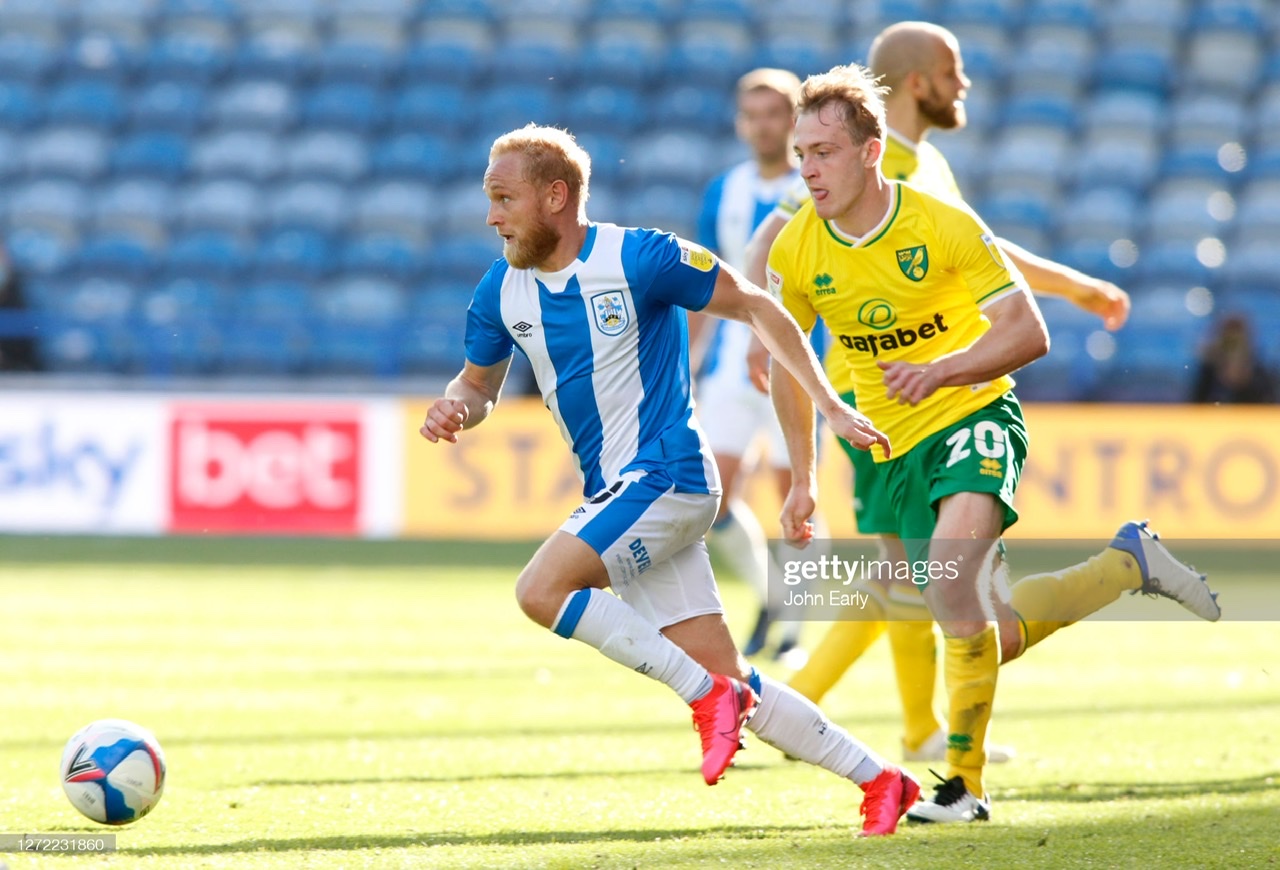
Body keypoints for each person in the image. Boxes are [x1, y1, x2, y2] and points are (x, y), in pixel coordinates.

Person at [419, 123, 921, 836]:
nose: (491, 216)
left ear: (556, 196)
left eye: (504, 198)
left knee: (540, 590)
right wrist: (455, 408)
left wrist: (830, 406)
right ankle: (882, 780)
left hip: (670, 476)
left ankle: (703, 696)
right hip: (621, 495)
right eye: (489, 199)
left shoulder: (640, 256)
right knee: (737, 677)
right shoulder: (501, 288)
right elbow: (478, 385)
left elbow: (757, 304)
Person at [766, 65, 1220, 824]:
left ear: (871, 152)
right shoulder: (797, 249)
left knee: (943, 588)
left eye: (824, 151)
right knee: (986, 631)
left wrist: (941, 370)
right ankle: (1125, 565)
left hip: (973, 416)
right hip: (889, 450)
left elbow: (1027, 332)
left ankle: (963, 787)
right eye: (799, 153)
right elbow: (790, 365)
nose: (808, 169)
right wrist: (802, 478)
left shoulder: (942, 223)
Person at [743, 20, 1133, 765]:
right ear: (920, 82)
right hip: (881, 403)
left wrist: (1072, 287)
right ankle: (831, 712)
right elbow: (775, 238)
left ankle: (821, 712)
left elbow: (977, 246)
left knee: (913, 579)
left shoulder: (919, 167)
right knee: (918, 581)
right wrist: (768, 328)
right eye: (953, 70)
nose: (965, 85)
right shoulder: (876, 159)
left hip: (929, 401)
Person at [690, 68, 814, 661]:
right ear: (740, 122)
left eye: (774, 114)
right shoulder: (724, 191)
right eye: (752, 115)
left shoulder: (820, 182)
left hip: (799, 363)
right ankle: (774, 595)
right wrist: (686, 362)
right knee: (709, 499)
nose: (762, 126)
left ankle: (793, 633)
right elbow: (703, 280)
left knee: (795, 495)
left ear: (794, 120)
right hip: (730, 367)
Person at [1190, 313, 1277, 403]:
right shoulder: (1208, 373)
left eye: (1237, 341)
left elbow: (1270, 408)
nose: (1233, 346)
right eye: (1229, 341)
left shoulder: (1260, 374)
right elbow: (1194, 407)